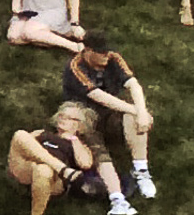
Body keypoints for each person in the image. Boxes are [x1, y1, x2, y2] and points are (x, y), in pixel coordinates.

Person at [7, 101, 131, 215]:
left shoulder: (79, 144)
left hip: (53, 181)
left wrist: (73, 139)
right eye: (61, 115)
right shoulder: (42, 133)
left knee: (44, 170)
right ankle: (62, 169)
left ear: (79, 125)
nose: (62, 119)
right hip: (27, 170)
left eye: (69, 118)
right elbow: (21, 144)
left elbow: (85, 163)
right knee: (20, 134)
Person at [64, 34, 159, 201]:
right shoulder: (75, 67)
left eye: (108, 51)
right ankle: (115, 193)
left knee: (133, 117)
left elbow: (133, 84)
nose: (107, 56)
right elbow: (97, 95)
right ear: (88, 51)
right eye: (102, 53)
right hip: (85, 113)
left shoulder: (114, 58)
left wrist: (141, 113)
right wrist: (137, 110)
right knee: (94, 139)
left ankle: (141, 169)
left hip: (111, 111)